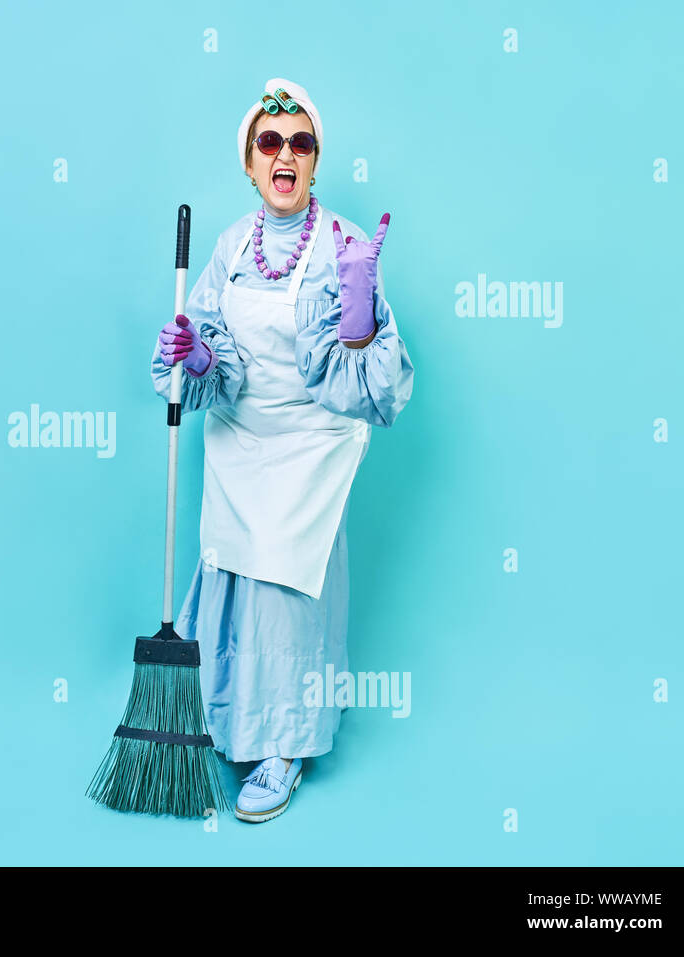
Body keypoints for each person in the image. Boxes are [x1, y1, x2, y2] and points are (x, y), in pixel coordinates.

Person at [150, 77, 414, 823]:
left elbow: (369, 386)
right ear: (250, 161)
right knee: (232, 574)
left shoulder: (347, 247)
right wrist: (196, 355)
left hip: (311, 442)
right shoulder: (232, 246)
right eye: (272, 142)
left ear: (316, 161)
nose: (286, 153)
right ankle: (227, 720)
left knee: (285, 592)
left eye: (301, 142)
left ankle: (285, 744)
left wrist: (360, 316)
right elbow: (212, 344)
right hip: (239, 437)